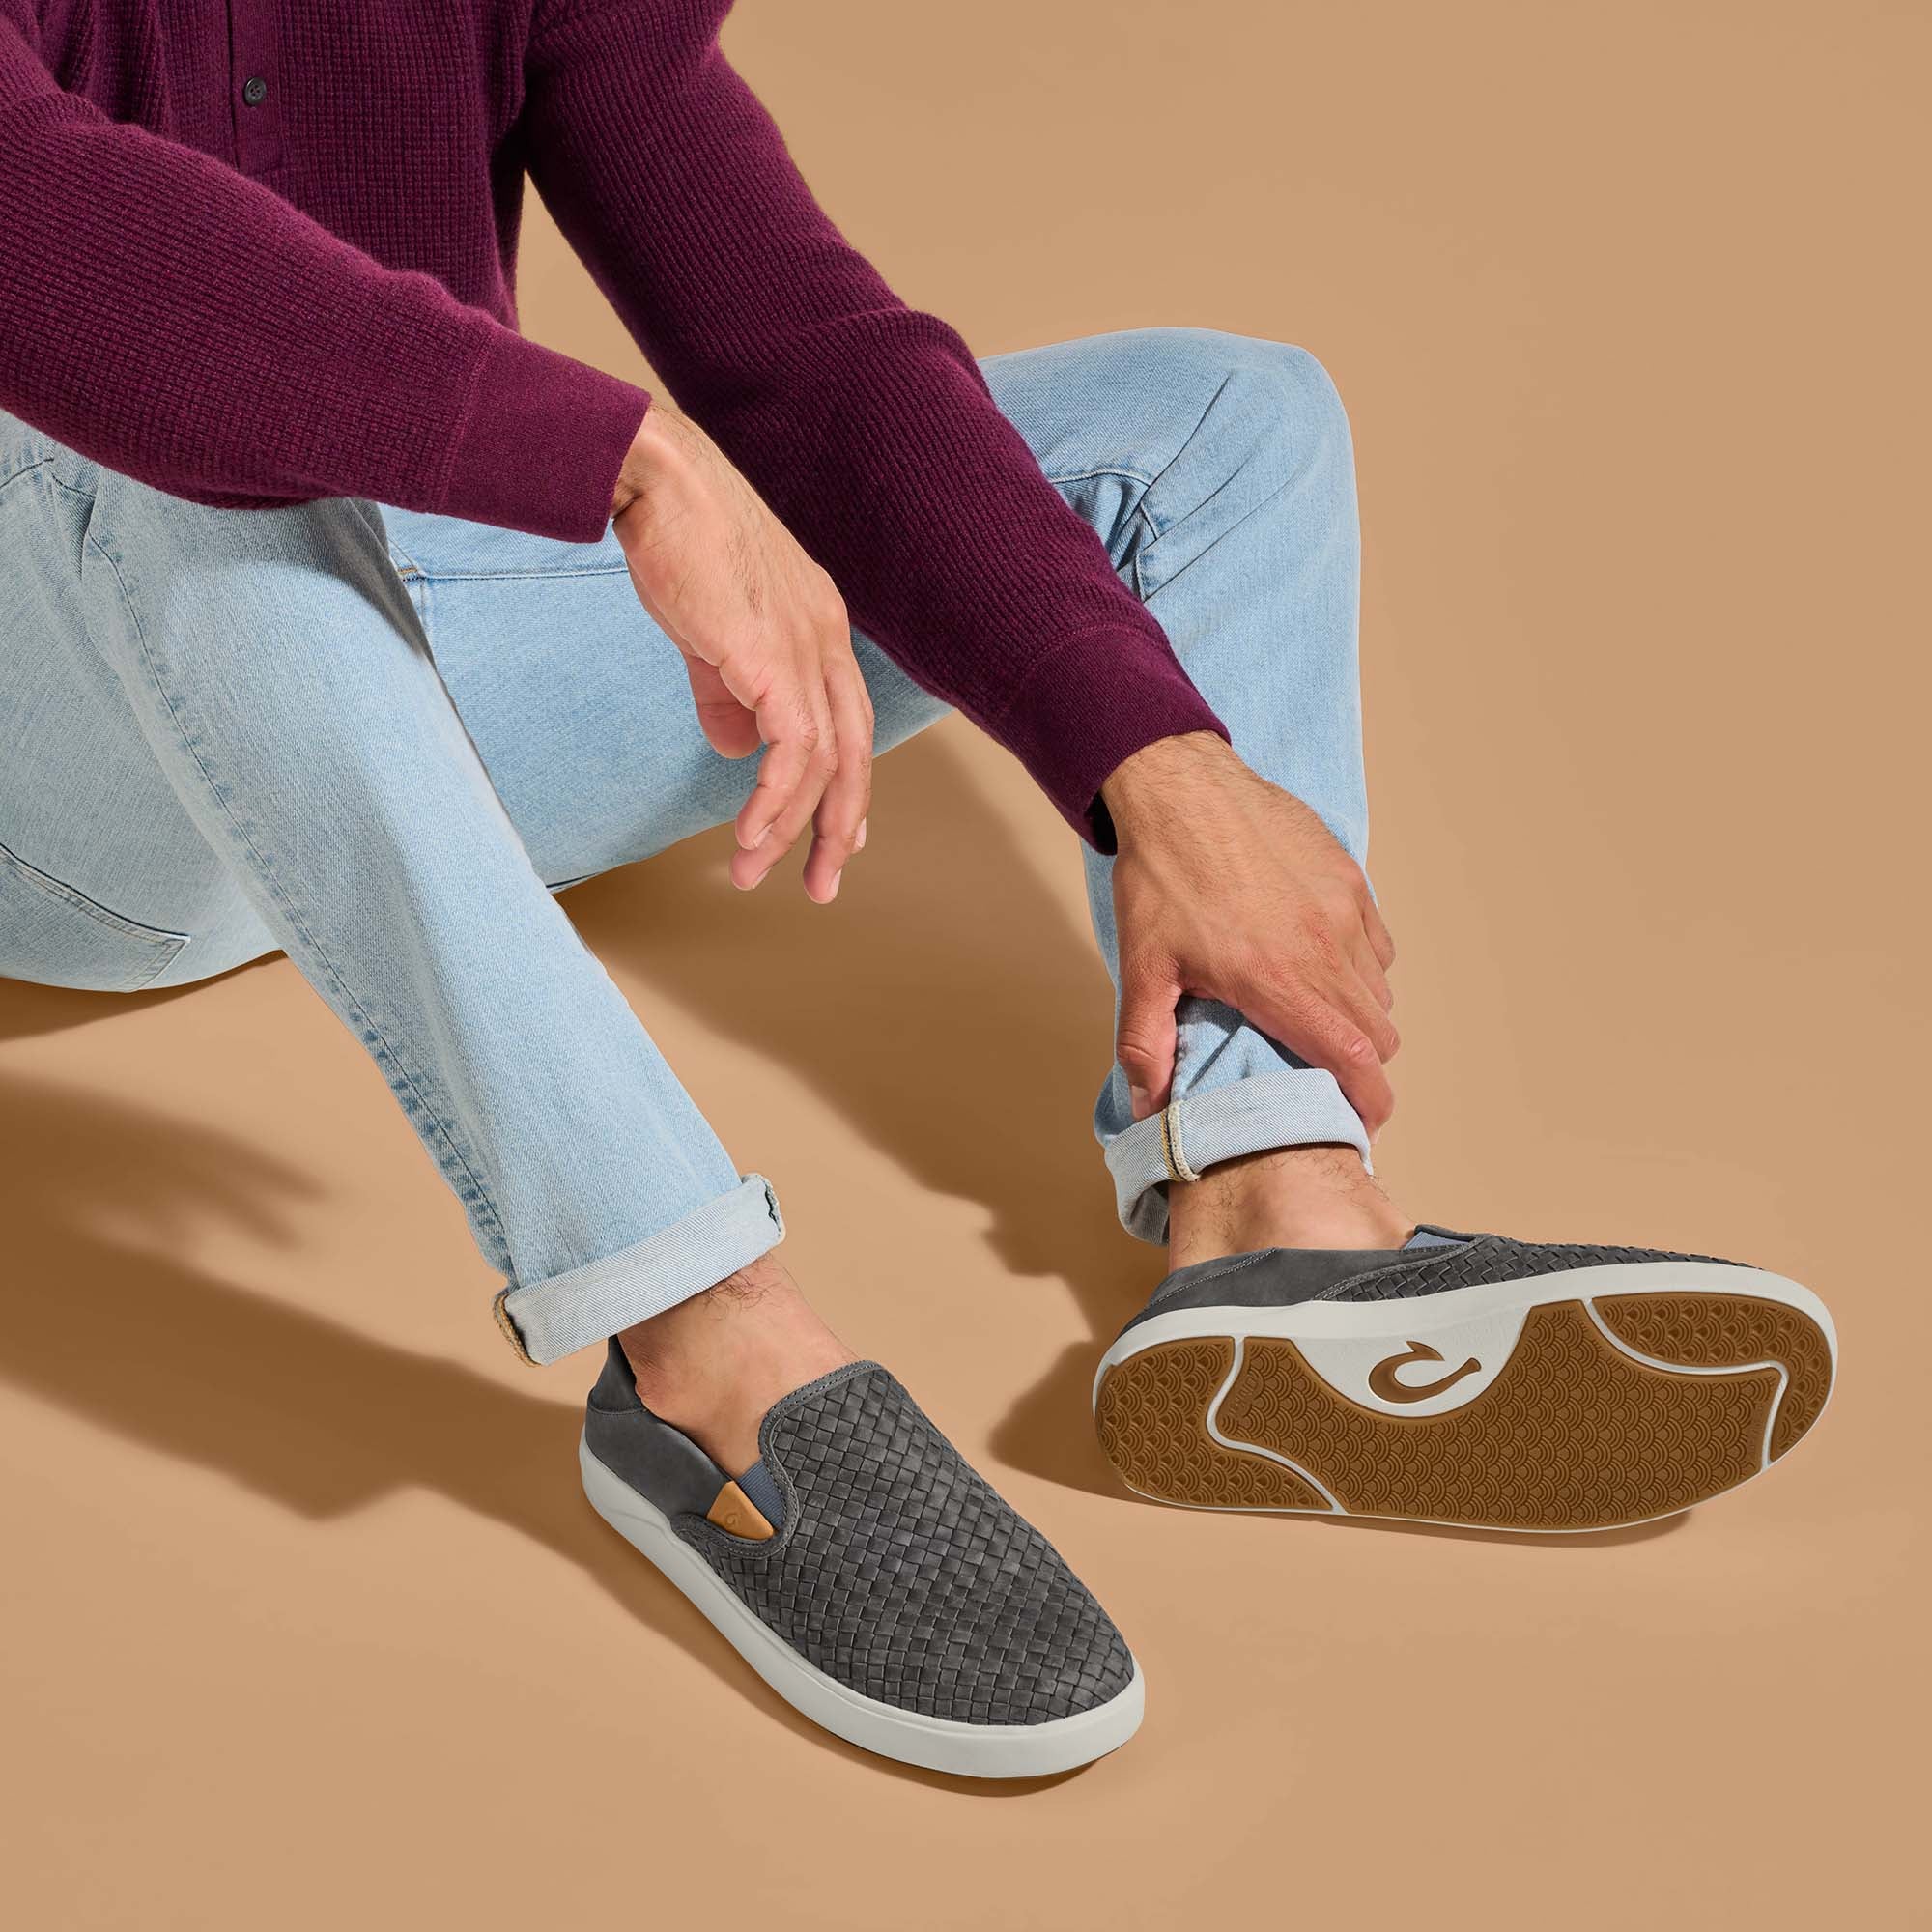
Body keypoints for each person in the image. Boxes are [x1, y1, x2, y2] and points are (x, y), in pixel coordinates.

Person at [0, 0, 1835, 1777]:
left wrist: (1158, 756)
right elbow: (44, 228)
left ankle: (1275, 1207)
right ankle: (701, 1340)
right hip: (69, 750)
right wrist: (625, 464)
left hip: (394, 668)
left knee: (1221, 421)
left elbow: (801, 351)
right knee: (188, 431)